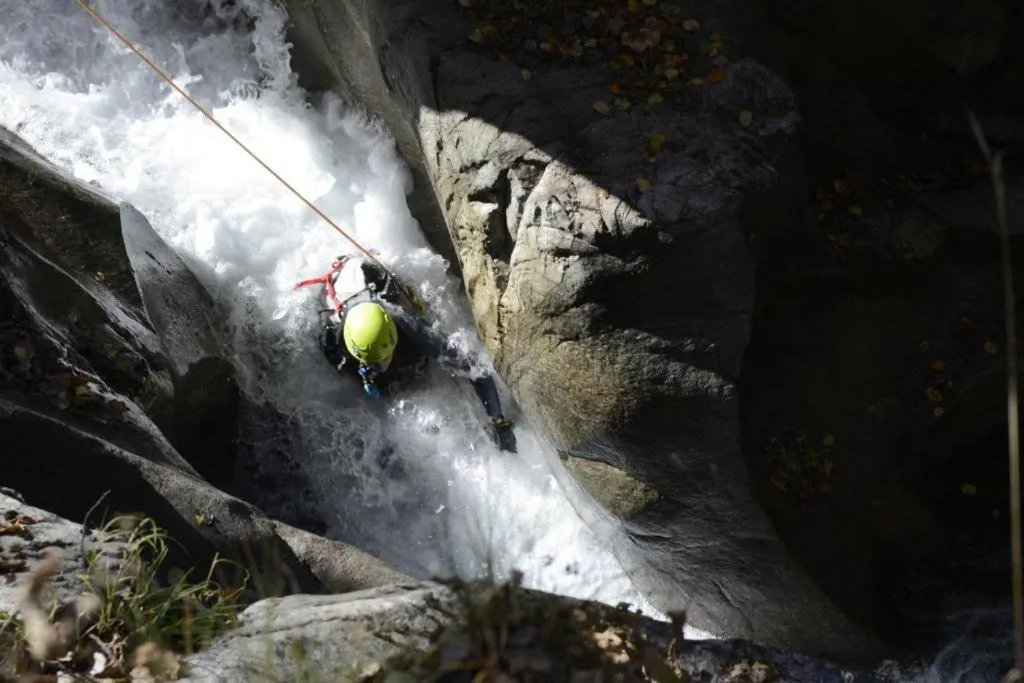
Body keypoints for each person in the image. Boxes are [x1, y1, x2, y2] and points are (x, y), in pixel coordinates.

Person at [293, 254, 517, 453]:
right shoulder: (332, 339)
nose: (380, 366)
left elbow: (473, 368)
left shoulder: (407, 324)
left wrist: (498, 420)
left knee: (419, 359)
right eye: (374, 361)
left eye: (383, 357)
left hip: (370, 278)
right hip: (346, 297)